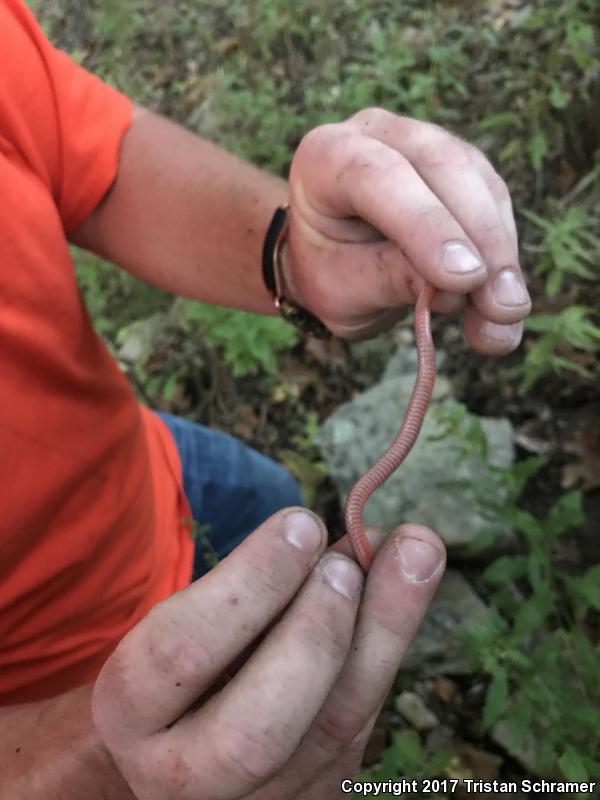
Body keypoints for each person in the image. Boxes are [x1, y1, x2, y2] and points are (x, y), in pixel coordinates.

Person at [0, 0, 531, 797]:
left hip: (159, 473)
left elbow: (88, 158)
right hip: (66, 692)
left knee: (277, 505)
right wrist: (80, 768)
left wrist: (291, 253)